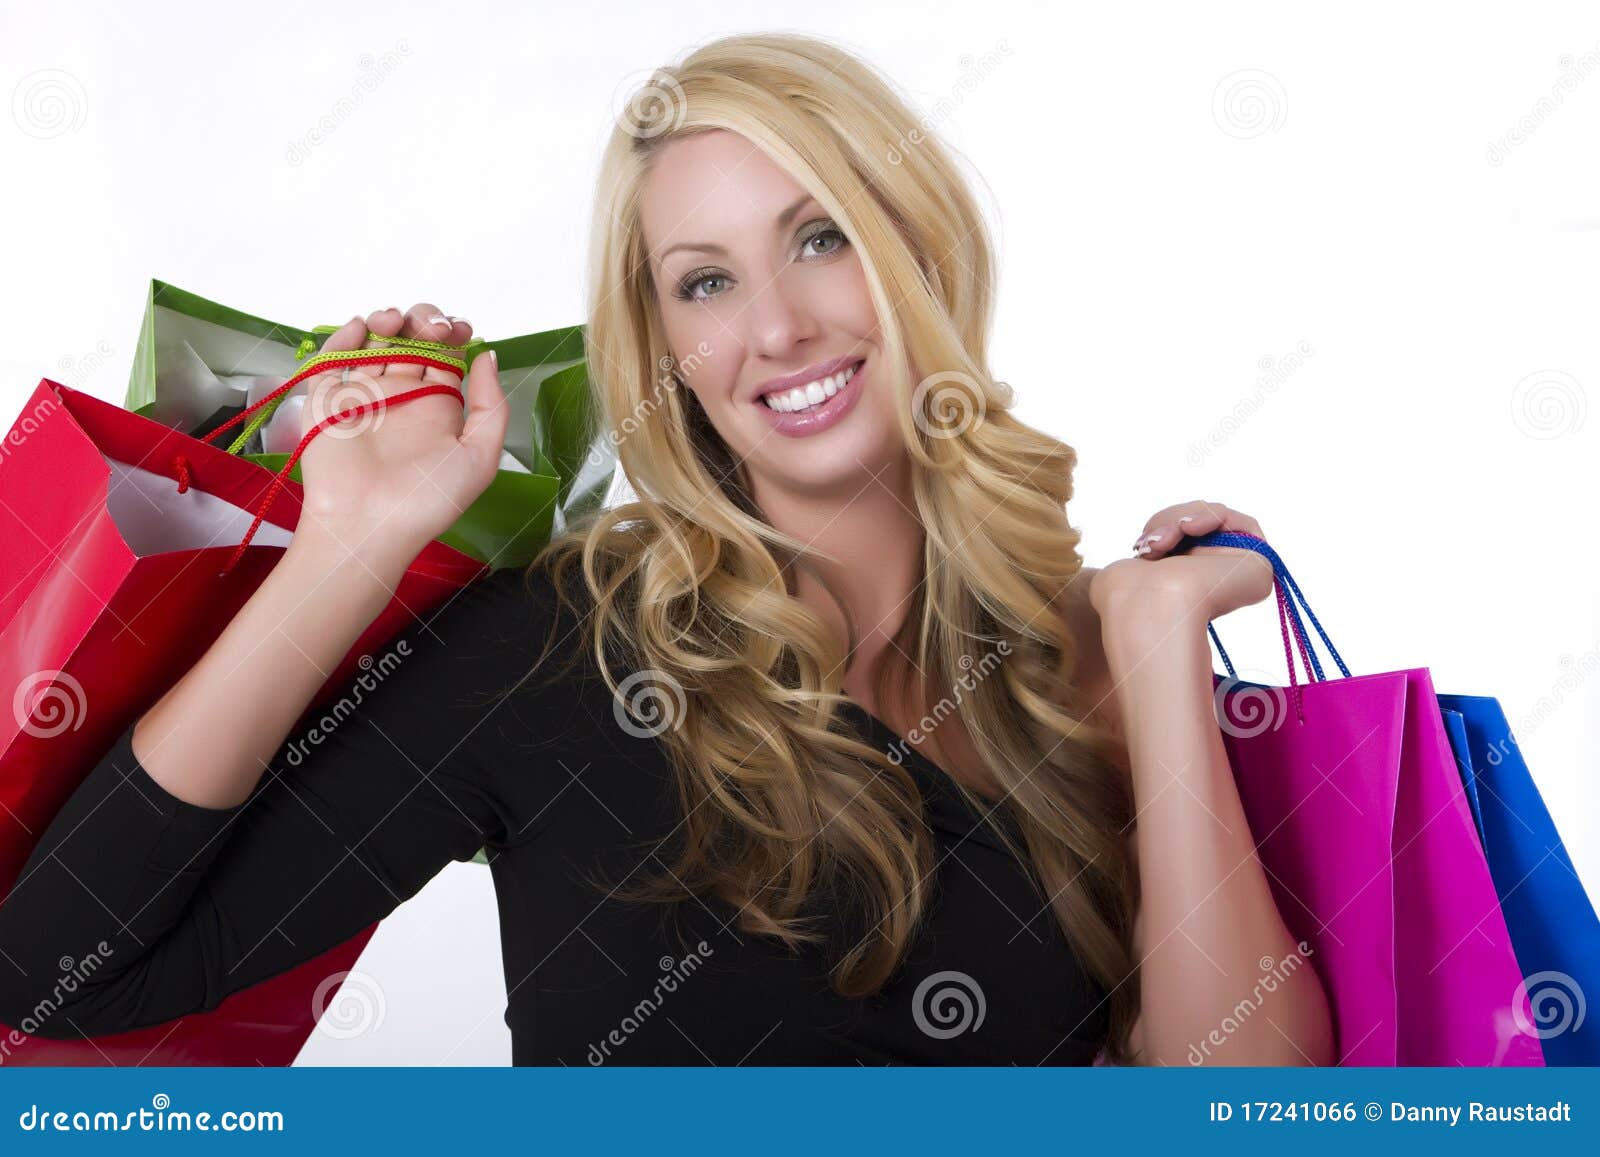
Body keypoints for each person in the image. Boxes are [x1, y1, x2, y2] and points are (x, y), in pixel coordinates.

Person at [0, 31, 1331, 1066]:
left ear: (919, 249)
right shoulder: (562, 649)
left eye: (821, 239)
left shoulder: (1080, 668)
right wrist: (355, 539)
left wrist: (1158, 656)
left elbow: (1249, 1114)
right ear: (668, 350)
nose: (777, 327)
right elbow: (60, 967)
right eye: (707, 279)